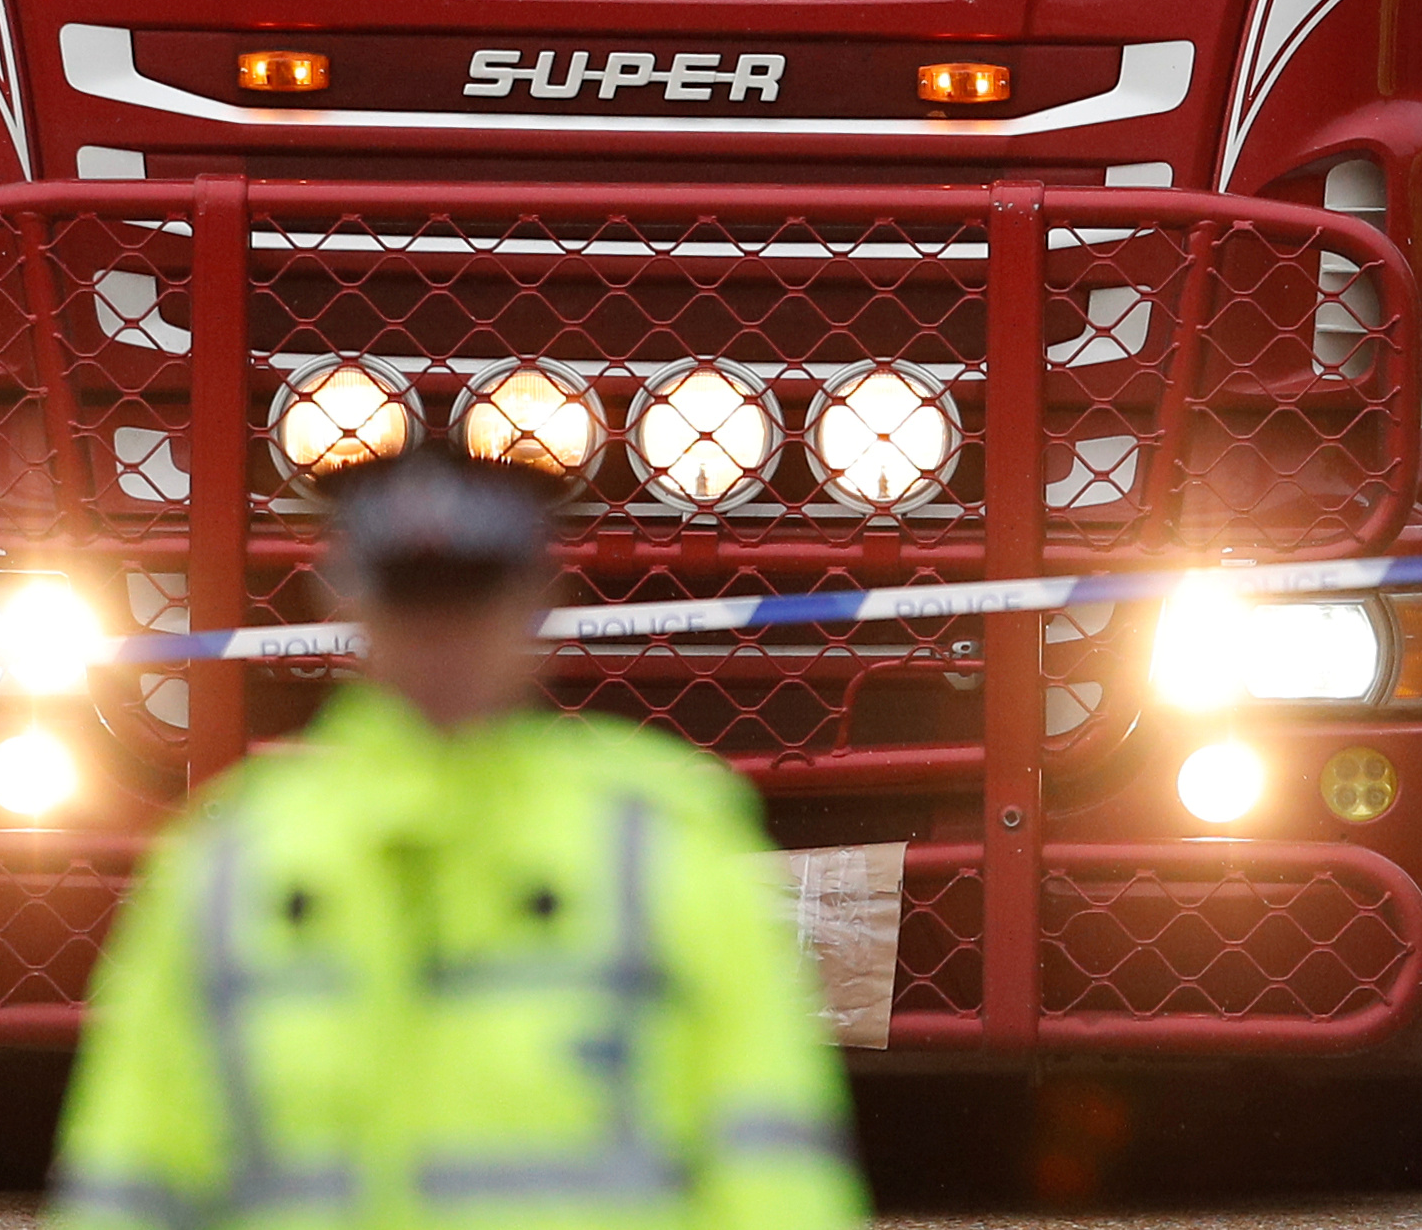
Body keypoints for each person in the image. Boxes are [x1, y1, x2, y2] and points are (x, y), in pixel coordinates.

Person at [48, 450, 866, 1230]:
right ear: (343, 602)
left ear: (534, 601)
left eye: (469, 600)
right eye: (414, 601)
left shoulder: (668, 850)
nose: (444, 641)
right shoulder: (221, 870)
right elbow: (129, 1177)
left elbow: (775, 1174)